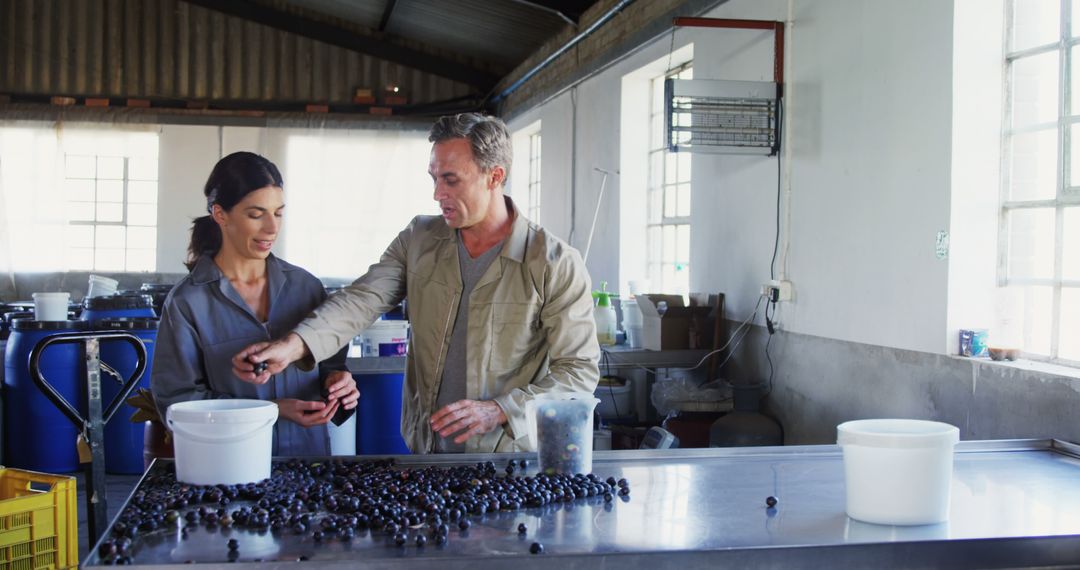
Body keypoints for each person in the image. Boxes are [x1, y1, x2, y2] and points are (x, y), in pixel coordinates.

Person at [232, 113, 600, 453]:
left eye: (451, 179)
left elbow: (578, 372)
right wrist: (293, 346)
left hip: (509, 457)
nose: (438, 193)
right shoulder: (419, 240)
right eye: (434, 178)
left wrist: (501, 410)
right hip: (428, 451)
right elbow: (362, 299)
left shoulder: (552, 262)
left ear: (495, 176)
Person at [151, 151, 359, 456]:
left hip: (306, 466)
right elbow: (177, 404)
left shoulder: (306, 287)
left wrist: (340, 385)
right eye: (256, 214)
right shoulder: (188, 303)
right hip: (227, 467)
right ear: (220, 215)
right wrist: (271, 410)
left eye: (278, 213)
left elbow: (331, 364)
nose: (272, 228)